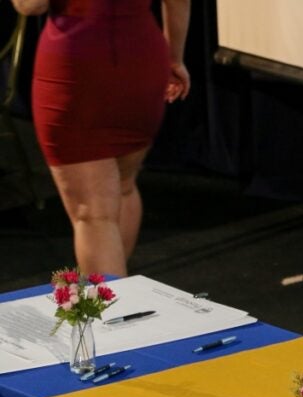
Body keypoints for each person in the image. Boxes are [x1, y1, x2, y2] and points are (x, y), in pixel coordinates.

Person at [12, 0, 191, 276]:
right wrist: (174, 58)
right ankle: (119, 299)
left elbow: (30, 5)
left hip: (77, 67)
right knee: (123, 186)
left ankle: (108, 315)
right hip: (142, 58)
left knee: (94, 214)